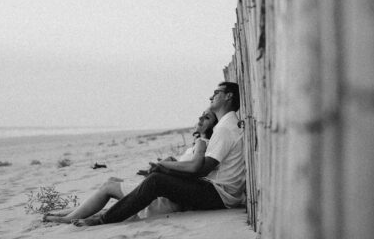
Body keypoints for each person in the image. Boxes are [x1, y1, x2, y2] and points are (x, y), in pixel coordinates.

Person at [74, 81, 245, 226]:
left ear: (229, 96)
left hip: (219, 195)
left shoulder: (225, 129)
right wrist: (166, 168)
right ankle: (107, 212)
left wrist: (165, 166)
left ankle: (104, 219)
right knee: (157, 176)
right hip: (216, 191)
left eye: (216, 92)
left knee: (156, 181)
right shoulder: (225, 125)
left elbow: (200, 170)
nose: (211, 97)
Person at [42, 109, 218, 224]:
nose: (201, 119)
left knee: (109, 186)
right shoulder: (198, 143)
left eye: (207, 117)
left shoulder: (203, 143)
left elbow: (192, 169)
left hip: (164, 200)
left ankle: (68, 218)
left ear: (213, 125)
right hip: (165, 195)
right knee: (112, 181)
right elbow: (185, 168)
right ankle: (67, 212)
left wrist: (164, 165)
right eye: (201, 115)